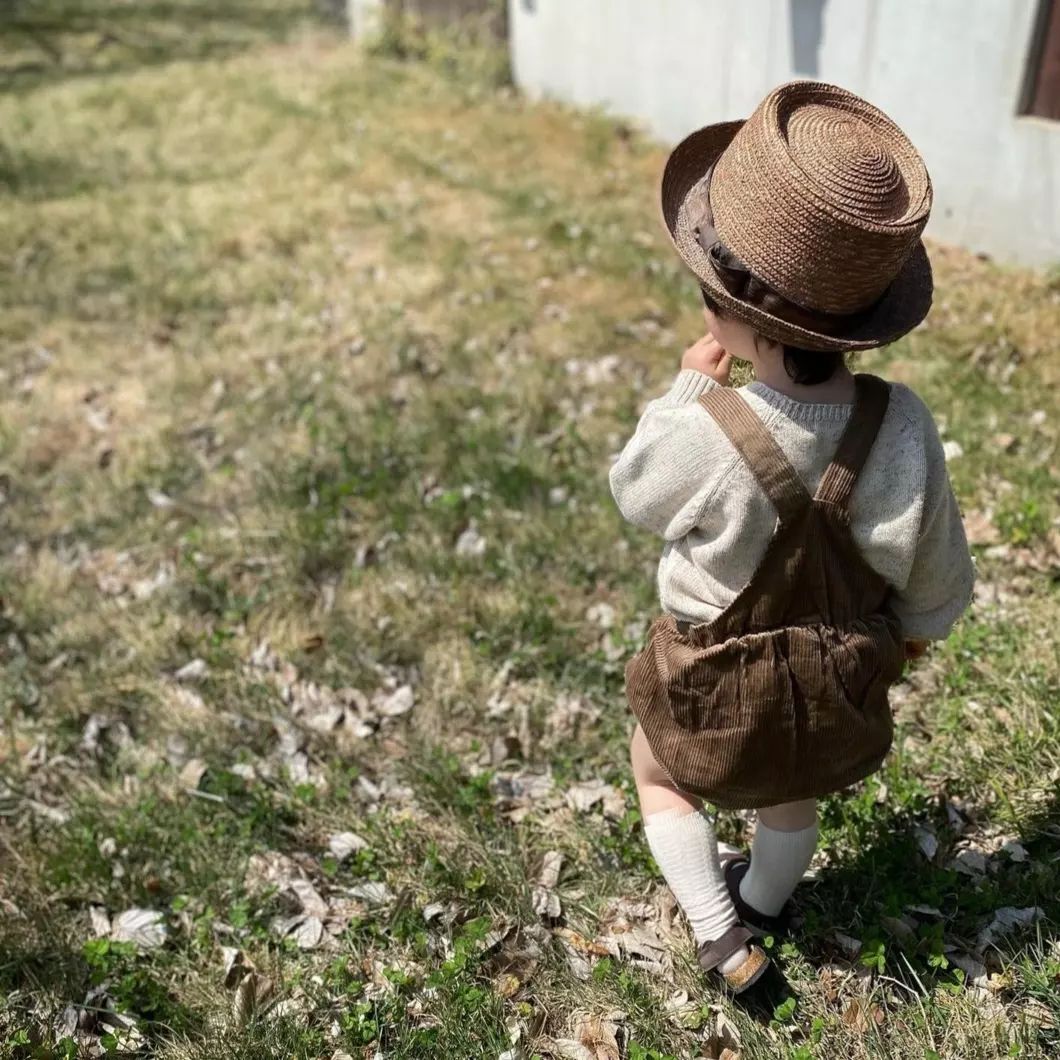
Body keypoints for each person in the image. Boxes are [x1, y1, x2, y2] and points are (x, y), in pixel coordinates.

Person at [609, 81, 975, 1000]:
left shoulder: (710, 425)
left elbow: (636, 492)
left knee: (660, 774)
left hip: (711, 674)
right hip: (829, 679)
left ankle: (721, 935)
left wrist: (688, 392)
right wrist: (912, 639)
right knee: (791, 797)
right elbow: (936, 564)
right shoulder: (901, 422)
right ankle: (768, 905)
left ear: (735, 316)